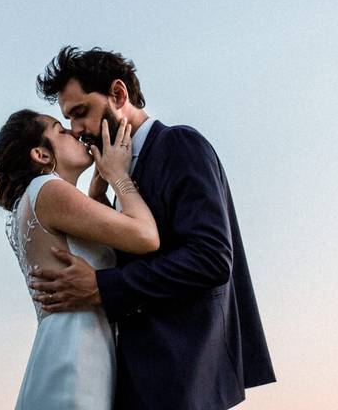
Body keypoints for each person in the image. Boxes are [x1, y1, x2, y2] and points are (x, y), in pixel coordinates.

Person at [29, 46, 276, 410]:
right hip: (137, 378)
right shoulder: (121, 173)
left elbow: (210, 258)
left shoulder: (179, 145)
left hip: (182, 372)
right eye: (68, 119)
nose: (77, 130)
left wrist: (101, 286)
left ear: (118, 94)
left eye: (81, 113)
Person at [0, 108, 160, 409]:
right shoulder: (48, 189)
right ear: (41, 154)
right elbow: (145, 236)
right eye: (59, 130)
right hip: (77, 354)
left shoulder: (36, 197)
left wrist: (97, 193)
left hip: (66, 346)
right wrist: (118, 175)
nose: (74, 132)